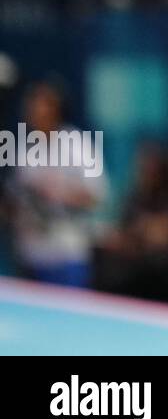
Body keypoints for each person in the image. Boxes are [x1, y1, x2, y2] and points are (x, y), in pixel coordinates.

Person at [4, 80, 109, 288]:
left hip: (66, 254)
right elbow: (16, 198)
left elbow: (98, 195)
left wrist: (57, 195)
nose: (32, 109)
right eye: (31, 103)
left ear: (55, 109)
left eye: (39, 103)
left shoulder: (77, 144)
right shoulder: (25, 148)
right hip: (30, 255)